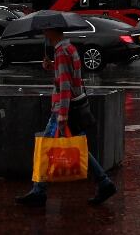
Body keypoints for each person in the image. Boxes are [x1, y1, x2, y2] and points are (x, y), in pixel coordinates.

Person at [15, 23, 117, 208]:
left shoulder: (61, 52)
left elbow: (64, 86)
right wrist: (52, 67)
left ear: (52, 31)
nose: (44, 33)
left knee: (45, 147)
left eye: (46, 30)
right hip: (74, 106)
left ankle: (39, 191)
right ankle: (104, 182)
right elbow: (69, 75)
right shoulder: (69, 48)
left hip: (62, 109)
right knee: (78, 146)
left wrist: (62, 114)